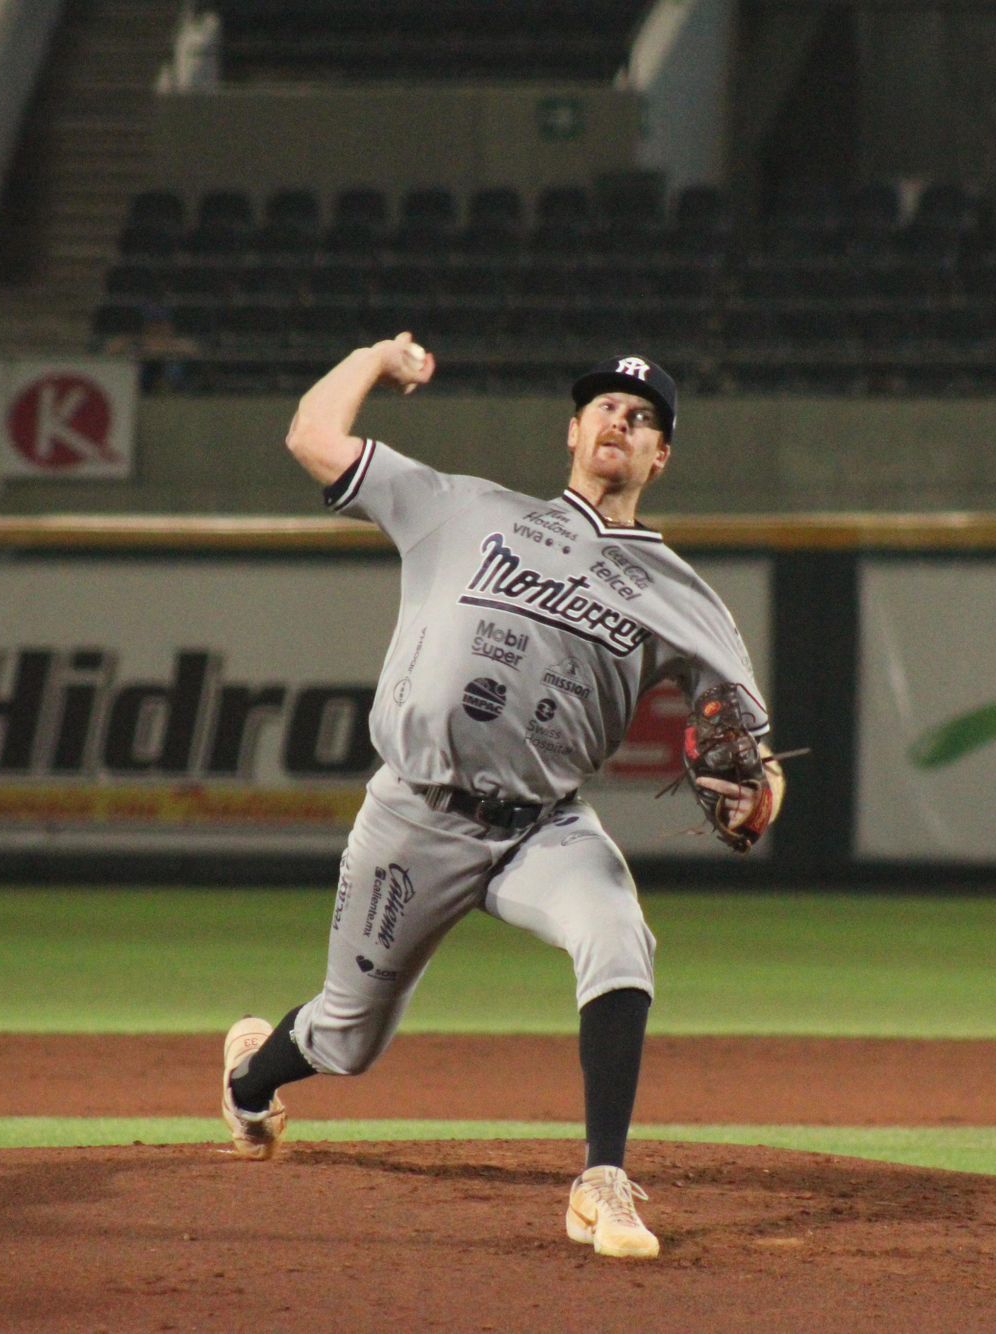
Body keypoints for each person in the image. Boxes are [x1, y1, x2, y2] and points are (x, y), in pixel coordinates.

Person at [220, 333, 786, 1260]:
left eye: (643, 418)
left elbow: (754, 757)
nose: (622, 420)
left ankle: (602, 1178)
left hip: (544, 829)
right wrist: (373, 358)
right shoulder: (462, 508)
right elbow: (312, 436)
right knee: (346, 1040)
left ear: (661, 456)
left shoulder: (685, 598)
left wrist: (758, 797)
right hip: (414, 816)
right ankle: (250, 1082)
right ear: (573, 431)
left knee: (618, 931)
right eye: (606, 406)